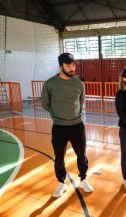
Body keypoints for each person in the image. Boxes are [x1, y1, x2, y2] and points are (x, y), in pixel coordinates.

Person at [41, 53, 93, 198]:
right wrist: (56, 114)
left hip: (77, 125)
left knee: (81, 154)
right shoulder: (50, 83)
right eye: (68, 65)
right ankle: (61, 183)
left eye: (73, 65)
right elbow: (45, 103)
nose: (72, 68)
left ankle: (83, 179)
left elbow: (80, 101)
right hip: (59, 127)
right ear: (61, 66)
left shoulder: (78, 84)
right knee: (59, 157)